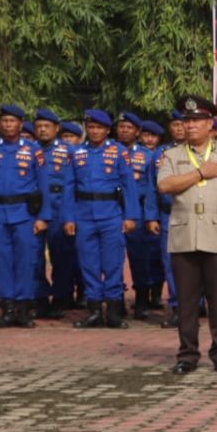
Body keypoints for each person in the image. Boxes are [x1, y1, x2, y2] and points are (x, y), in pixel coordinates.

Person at [156, 96, 217, 375]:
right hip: (184, 236)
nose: (190, 126)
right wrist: (200, 173)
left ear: (210, 124)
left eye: (196, 120)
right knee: (186, 301)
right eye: (186, 121)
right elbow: (165, 186)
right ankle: (187, 354)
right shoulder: (172, 155)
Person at [0, 104, 52, 329]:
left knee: (27, 261)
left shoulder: (33, 149)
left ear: (20, 124)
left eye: (12, 121)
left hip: (25, 213)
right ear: (0, 124)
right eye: (4, 121)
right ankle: (7, 309)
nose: (8, 125)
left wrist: (43, 216)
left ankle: (23, 310)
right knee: (1, 262)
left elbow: (43, 185)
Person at [62, 110, 141, 329]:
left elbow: (128, 186)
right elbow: (68, 187)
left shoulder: (118, 152)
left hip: (111, 215)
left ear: (107, 130)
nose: (95, 131)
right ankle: (94, 311)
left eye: (99, 128)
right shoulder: (77, 153)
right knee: (88, 264)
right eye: (91, 127)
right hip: (83, 214)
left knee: (113, 263)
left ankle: (114, 312)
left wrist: (130, 215)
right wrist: (68, 217)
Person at [31, 108, 72, 319]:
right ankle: (39, 298)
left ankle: (60, 298)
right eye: (38, 127)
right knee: (33, 256)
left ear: (57, 128)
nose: (43, 130)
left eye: (47, 126)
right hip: (34, 208)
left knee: (61, 255)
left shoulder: (68, 151)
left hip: (60, 205)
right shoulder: (28, 149)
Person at [147, 112, 182, 328]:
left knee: (196, 262)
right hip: (168, 213)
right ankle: (178, 307)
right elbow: (152, 187)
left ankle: (196, 306)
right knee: (171, 263)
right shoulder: (161, 153)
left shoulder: (204, 152)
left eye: (182, 124)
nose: (179, 129)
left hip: (195, 213)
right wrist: (151, 216)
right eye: (175, 125)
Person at [138, 120, 167, 311]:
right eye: (146, 135)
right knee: (141, 257)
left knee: (160, 256)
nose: (149, 139)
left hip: (159, 210)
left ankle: (156, 294)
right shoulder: (131, 154)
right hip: (138, 211)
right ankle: (142, 298)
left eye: (153, 136)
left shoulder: (163, 154)